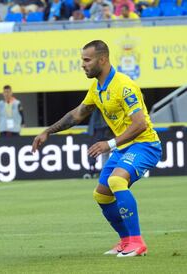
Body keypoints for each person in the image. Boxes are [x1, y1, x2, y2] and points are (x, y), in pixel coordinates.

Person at [32, 40, 162, 257]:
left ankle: (138, 242)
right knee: (101, 195)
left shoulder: (124, 85)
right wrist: (48, 131)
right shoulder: (97, 87)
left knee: (116, 180)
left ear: (102, 59)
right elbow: (76, 114)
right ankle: (126, 240)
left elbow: (141, 124)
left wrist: (109, 144)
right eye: (82, 59)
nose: (83, 64)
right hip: (125, 148)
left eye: (87, 60)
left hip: (145, 145)